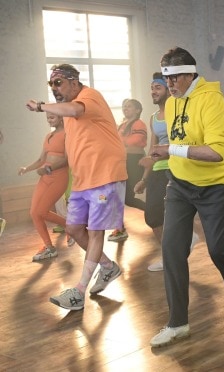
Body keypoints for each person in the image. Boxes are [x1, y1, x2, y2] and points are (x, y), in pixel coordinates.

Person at [149, 47, 224, 348]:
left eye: (173, 78)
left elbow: (216, 151)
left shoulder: (211, 100)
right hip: (180, 184)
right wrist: (171, 153)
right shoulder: (172, 103)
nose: (168, 84)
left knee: (219, 249)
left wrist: (170, 150)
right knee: (171, 250)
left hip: (217, 184)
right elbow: (181, 138)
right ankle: (177, 323)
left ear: (189, 73)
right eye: (164, 78)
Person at [26, 63, 127, 311]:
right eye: (51, 85)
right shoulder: (69, 116)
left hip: (105, 175)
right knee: (72, 228)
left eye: (58, 83)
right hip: (83, 180)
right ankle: (107, 267)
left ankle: (79, 291)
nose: (54, 89)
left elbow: (73, 109)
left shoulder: (89, 97)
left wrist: (40, 106)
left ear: (73, 81)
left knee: (95, 231)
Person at [18, 112, 70, 260]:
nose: (49, 120)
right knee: (35, 213)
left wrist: (48, 169)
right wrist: (26, 169)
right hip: (45, 177)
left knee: (41, 211)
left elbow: (66, 160)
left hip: (58, 178)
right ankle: (49, 247)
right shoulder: (48, 136)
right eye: (47, 118)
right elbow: (41, 159)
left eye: (52, 117)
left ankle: (70, 227)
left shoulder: (68, 135)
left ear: (61, 117)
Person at [134, 73, 171, 271]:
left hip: (173, 169)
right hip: (157, 170)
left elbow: (179, 144)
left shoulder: (175, 114)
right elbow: (152, 149)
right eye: (152, 88)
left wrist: (157, 157)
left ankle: (172, 255)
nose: (153, 92)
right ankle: (170, 253)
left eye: (157, 87)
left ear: (167, 89)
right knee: (152, 217)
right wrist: (144, 179)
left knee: (168, 215)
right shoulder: (153, 118)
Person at [108, 98, 147, 242]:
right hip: (121, 162)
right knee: (117, 196)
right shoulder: (123, 125)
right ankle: (120, 229)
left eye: (129, 106)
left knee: (129, 198)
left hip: (133, 161)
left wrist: (120, 141)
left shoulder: (138, 123)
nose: (125, 108)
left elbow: (135, 141)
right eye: (124, 106)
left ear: (137, 110)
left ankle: (157, 213)